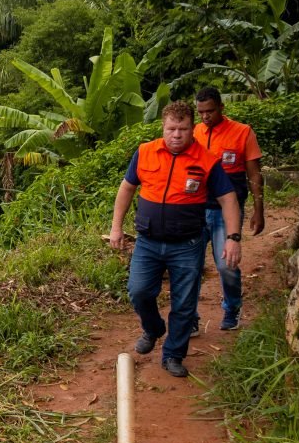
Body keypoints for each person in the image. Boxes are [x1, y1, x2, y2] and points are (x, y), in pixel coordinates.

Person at [109, 101, 242, 378]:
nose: (177, 135)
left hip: (188, 244)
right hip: (148, 241)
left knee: (184, 303)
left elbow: (228, 199)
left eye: (183, 129)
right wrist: (116, 227)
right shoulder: (145, 152)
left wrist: (233, 238)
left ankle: (173, 354)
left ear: (192, 129)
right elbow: (127, 188)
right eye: (171, 128)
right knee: (139, 291)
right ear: (163, 128)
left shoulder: (207, 160)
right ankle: (154, 328)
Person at [194, 87, 264, 331]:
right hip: (197, 209)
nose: (205, 117)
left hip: (227, 210)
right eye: (201, 112)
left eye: (210, 111)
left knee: (227, 264)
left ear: (221, 107)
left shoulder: (242, 132)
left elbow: (254, 174)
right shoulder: (194, 133)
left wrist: (259, 209)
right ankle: (189, 317)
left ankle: (232, 307)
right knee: (190, 264)